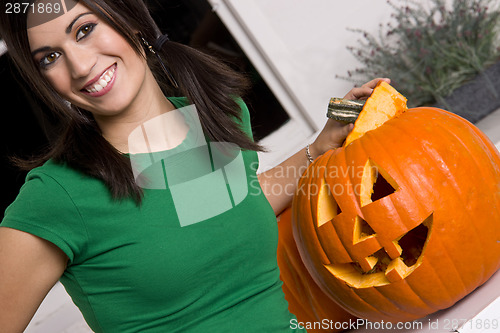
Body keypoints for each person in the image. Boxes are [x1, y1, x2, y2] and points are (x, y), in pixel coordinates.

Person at [0, 0, 388, 332]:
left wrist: (317, 149)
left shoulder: (219, 116)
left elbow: (222, 213)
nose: (81, 66)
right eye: (50, 57)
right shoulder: (59, 195)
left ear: (130, 19)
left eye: (84, 30)